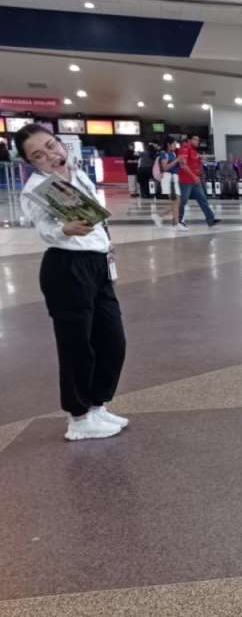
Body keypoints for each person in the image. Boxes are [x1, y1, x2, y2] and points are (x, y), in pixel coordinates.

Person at [16, 124, 128, 441]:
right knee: (76, 346)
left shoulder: (77, 173)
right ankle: (78, 418)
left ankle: (96, 405)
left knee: (112, 340)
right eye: (38, 155)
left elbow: (97, 219)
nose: (50, 155)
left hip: (97, 264)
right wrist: (63, 230)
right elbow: (43, 228)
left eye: (51, 146)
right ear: (30, 162)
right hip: (66, 268)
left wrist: (108, 251)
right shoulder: (36, 188)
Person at [176, 134, 219, 228]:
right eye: (195, 139)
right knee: (183, 201)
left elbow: (195, 162)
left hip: (195, 181)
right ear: (189, 140)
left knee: (203, 199)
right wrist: (193, 176)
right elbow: (183, 165)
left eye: (198, 140)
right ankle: (179, 221)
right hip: (186, 181)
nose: (197, 142)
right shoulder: (184, 149)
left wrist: (200, 160)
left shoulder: (194, 151)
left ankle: (211, 220)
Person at [153, 138, 183, 229]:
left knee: (177, 202)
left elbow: (176, 166)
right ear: (168, 144)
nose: (175, 146)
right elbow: (165, 168)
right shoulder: (164, 154)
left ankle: (159, 216)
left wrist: (180, 162)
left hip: (174, 178)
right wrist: (176, 160)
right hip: (168, 179)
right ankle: (176, 223)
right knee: (176, 201)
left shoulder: (173, 154)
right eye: (174, 144)